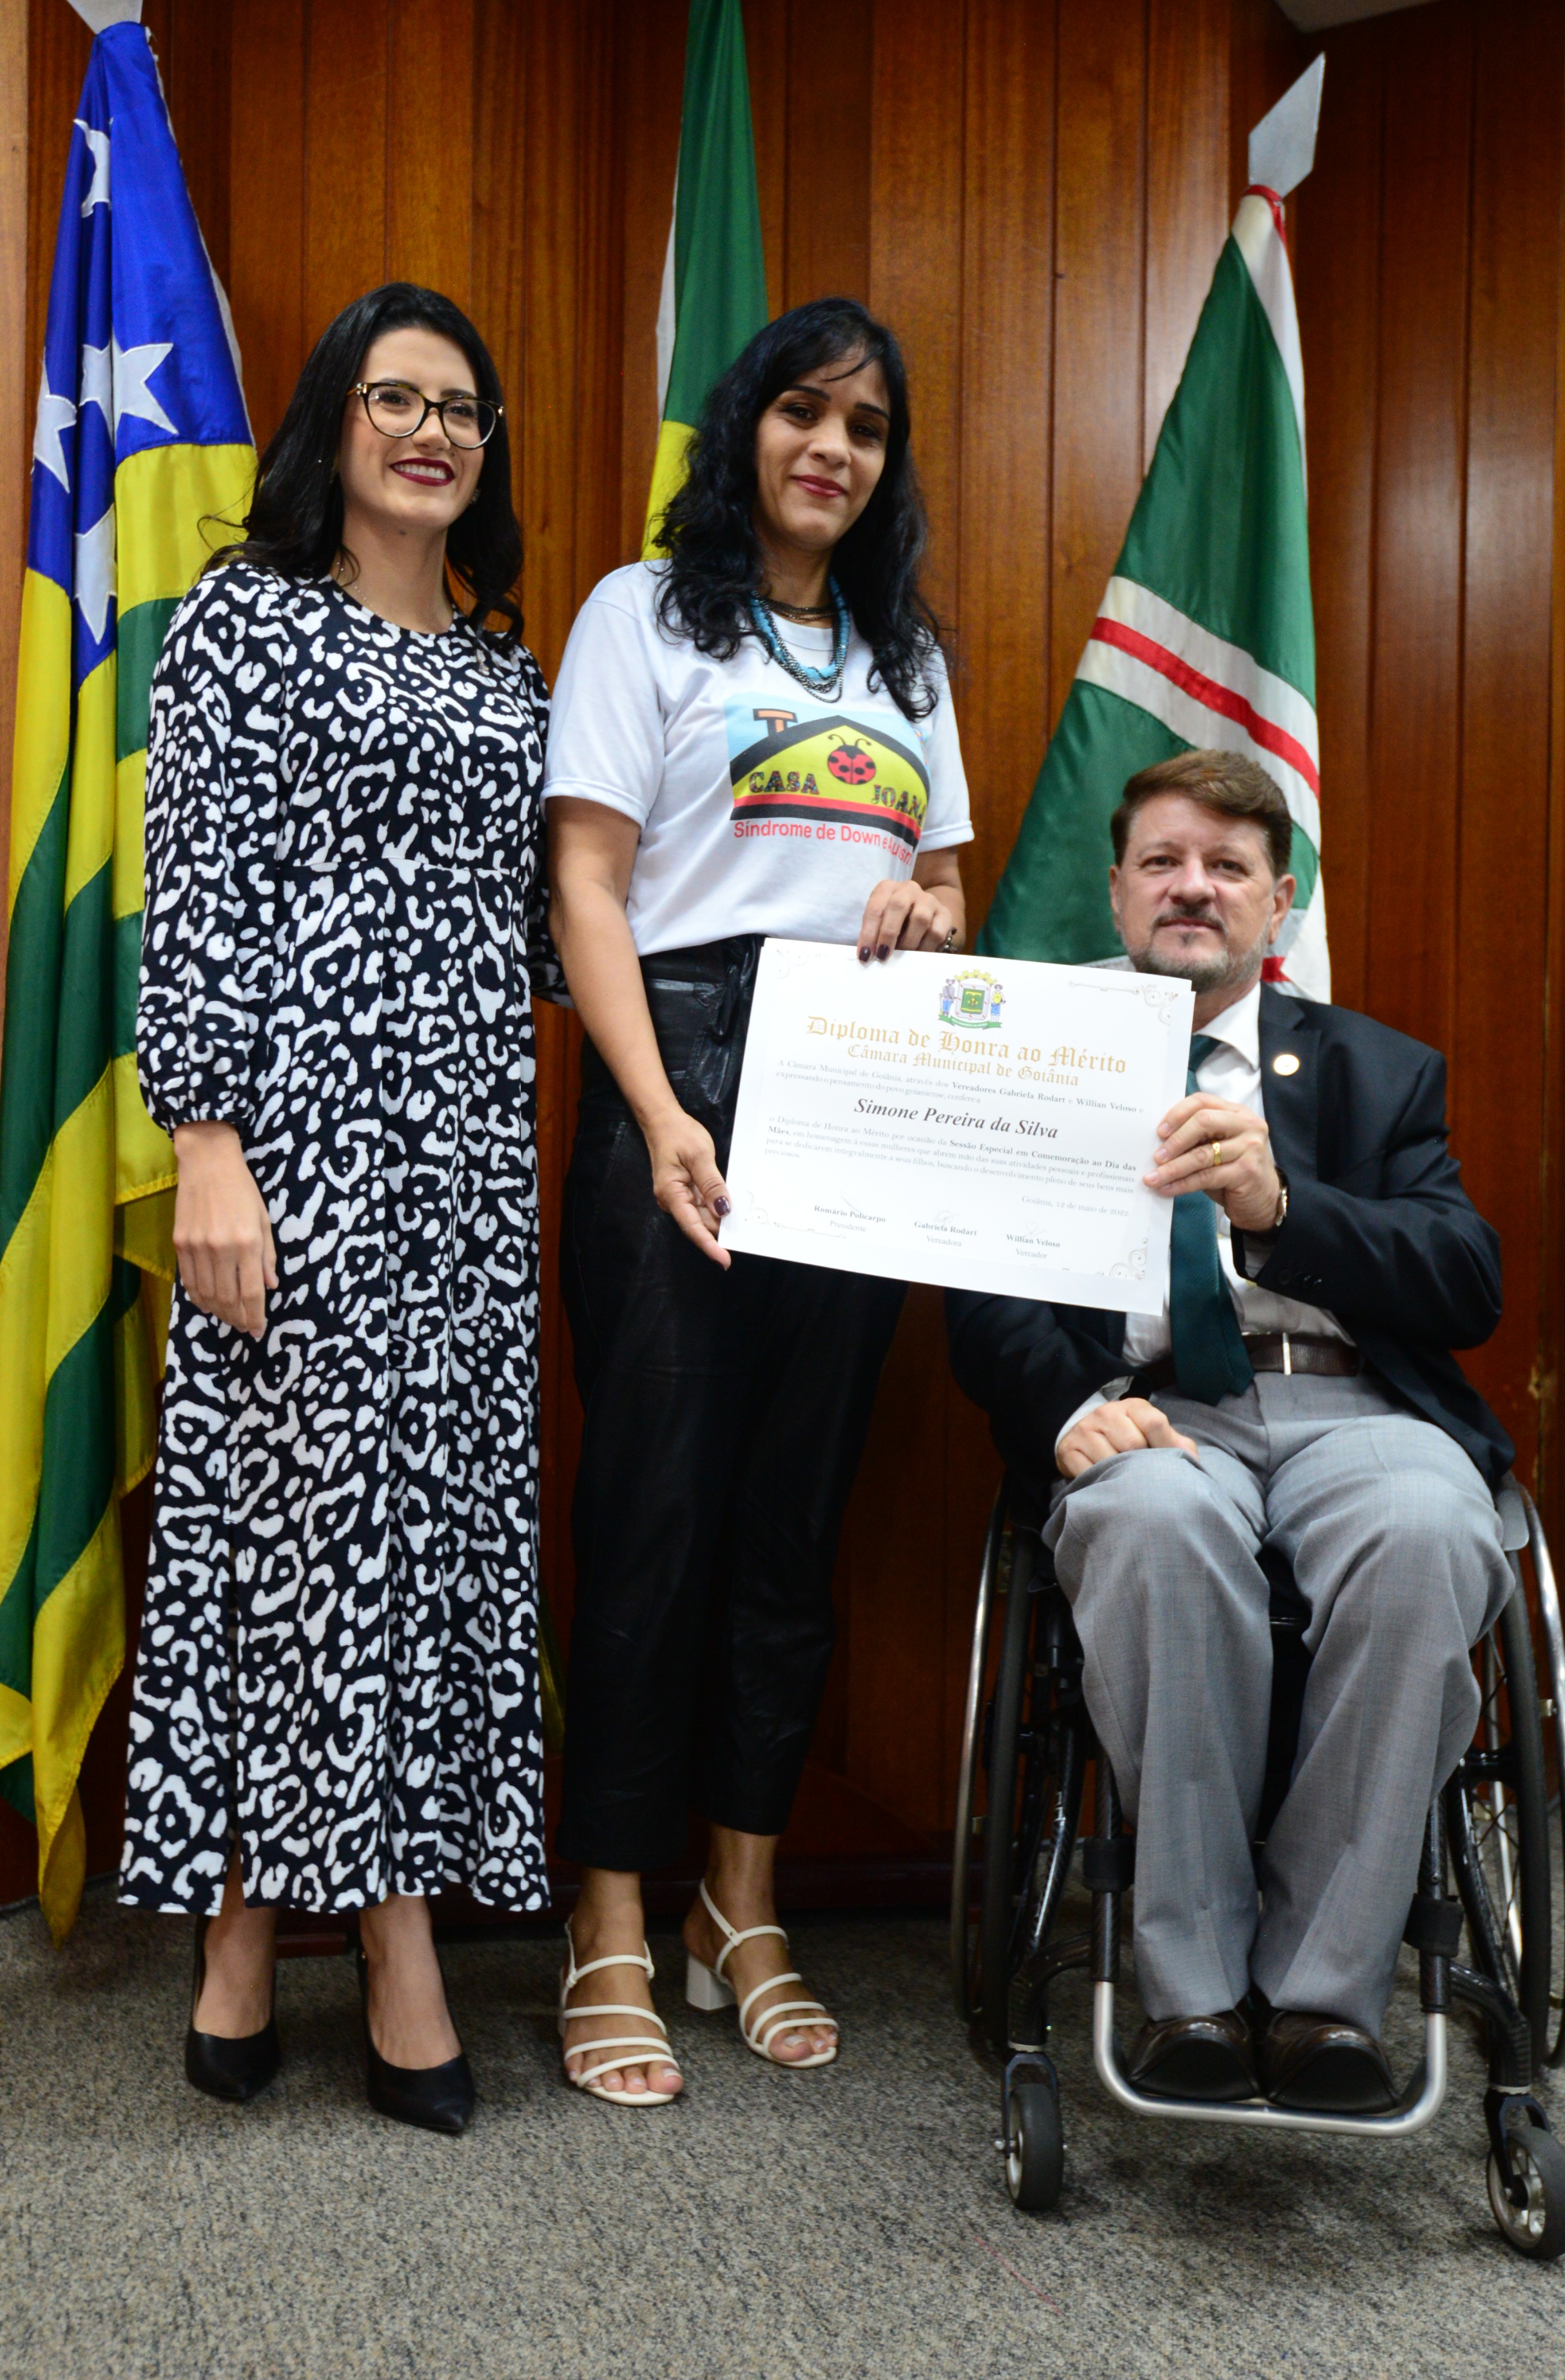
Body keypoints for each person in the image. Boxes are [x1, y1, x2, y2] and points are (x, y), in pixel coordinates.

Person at [121, 283, 550, 2136]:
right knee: (284, 1532)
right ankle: (331, 1936)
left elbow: (555, 926)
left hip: (462, 1171)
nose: (432, 433)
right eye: (398, 398)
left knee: (418, 1542)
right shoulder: (246, 619)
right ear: (336, 419)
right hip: (293, 1148)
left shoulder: (507, 675)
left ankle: (313, 1921)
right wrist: (206, 1147)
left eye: (461, 410)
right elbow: (196, 885)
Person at [946, 749, 1514, 2111]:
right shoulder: (1037, 1055)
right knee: (1151, 1525)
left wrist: (1282, 1212)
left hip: (1350, 1403)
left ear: (1278, 902)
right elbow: (978, 1284)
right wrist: (1070, 1410)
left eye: (1227, 867)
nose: (1191, 887)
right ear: (1117, 891)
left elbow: (1465, 1282)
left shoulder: (1374, 1070)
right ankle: (1191, 1990)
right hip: (1151, 1404)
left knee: (1430, 1533)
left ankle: (1322, 2001)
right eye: (1162, 861)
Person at [544, 297, 972, 2102]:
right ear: (747, 430)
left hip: (858, 1088)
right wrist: (657, 1113)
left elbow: (942, 887)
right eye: (804, 412)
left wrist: (928, 914)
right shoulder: (641, 613)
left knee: (794, 1520)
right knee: (651, 1510)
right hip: (682, 1069)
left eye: (865, 429)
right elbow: (585, 882)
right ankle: (608, 1918)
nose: (832, 450)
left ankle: (742, 1897)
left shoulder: (907, 657)